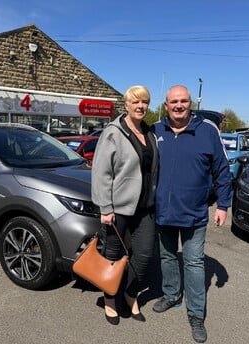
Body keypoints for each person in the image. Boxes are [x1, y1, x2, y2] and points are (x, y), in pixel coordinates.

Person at [151, 85, 232, 343]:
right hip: (163, 211)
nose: (178, 105)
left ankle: (196, 314)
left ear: (190, 104)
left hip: (195, 213)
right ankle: (172, 294)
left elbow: (222, 171)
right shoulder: (156, 130)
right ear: (166, 105)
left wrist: (222, 205)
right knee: (167, 257)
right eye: (173, 101)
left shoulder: (207, 131)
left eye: (183, 101)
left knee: (194, 263)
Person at [91, 85, 159, 325]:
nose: (141, 106)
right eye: (135, 102)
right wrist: (105, 208)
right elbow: (101, 172)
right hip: (118, 208)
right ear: (126, 105)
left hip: (146, 207)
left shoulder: (149, 133)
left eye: (145, 102)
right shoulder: (113, 132)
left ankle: (130, 295)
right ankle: (110, 300)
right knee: (112, 255)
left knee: (143, 255)